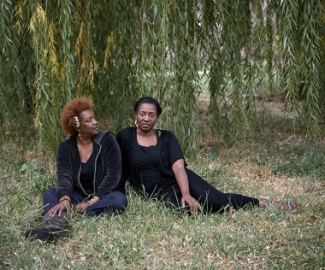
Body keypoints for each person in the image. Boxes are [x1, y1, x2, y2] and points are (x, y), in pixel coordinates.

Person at [116, 96, 298, 214]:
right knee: (185, 211)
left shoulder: (167, 137)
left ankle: (267, 204)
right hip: (158, 189)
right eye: (142, 114)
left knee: (216, 199)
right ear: (136, 115)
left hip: (181, 178)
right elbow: (117, 165)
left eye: (151, 115)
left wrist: (186, 193)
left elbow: (178, 166)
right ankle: (224, 211)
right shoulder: (125, 136)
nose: (146, 119)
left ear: (157, 118)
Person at [25, 97, 127, 241]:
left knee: (119, 200)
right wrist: (65, 198)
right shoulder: (65, 148)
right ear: (77, 126)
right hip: (78, 193)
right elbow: (64, 175)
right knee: (51, 194)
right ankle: (55, 228)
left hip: (104, 194)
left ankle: (77, 213)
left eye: (94, 118)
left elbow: (113, 175)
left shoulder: (107, 140)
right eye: (89, 120)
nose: (95, 122)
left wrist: (93, 201)